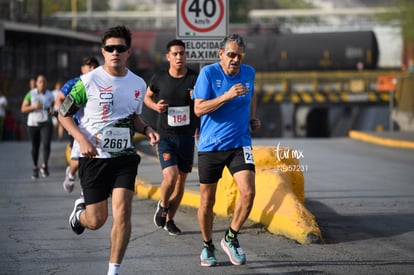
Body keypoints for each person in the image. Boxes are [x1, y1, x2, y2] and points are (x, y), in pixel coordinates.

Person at [58, 25, 159, 275]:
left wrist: (147, 130)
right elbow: (63, 114)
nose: (115, 52)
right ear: (103, 51)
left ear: (128, 52)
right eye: (110, 48)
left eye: (120, 48)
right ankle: (79, 215)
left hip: (124, 157)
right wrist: (81, 139)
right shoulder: (87, 82)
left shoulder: (137, 83)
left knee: (123, 212)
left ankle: (113, 271)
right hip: (94, 157)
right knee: (96, 220)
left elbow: (135, 117)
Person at [192, 34, 261, 267]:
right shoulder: (209, 74)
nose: (235, 60)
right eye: (231, 54)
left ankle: (231, 237)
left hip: (241, 143)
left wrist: (252, 118)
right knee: (206, 201)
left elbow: (252, 95)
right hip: (211, 145)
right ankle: (207, 245)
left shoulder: (249, 72)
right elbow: (199, 109)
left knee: (249, 192)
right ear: (220, 54)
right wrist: (226, 96)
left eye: (239, 55)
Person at [144, 39, 199, 235]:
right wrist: (155, 106)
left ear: (186, 56)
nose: (179, 57)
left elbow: (201, 103)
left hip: (186, 137)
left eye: (182, 53)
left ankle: (170, 219)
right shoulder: (159, 78)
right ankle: (163, 204)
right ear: (168, 57)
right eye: (175, 54)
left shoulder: (194, 78)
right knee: (171, 176)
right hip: (166, 136)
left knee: (181, 181)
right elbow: (147, 97)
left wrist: (197, 97)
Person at [57, 56, 100, 193]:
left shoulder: (101, 83)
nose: (92, 69)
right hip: (76, 126)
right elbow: (60, 99)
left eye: (95, 66)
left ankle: (85, 192)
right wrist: (63, 115)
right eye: (89, 66)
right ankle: (70, 173)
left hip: (95, 128)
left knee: (90, 159)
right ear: (83, 68)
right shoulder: (75, 82)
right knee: (78, 160)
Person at [21, 75, 55, 179]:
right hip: (33, 123)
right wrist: (33, 107)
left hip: (46, 123)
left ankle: (44, 165)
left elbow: (52, 107)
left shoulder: (50, 94)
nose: (42, 84)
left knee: (46, 145)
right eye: (40, 81)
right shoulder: (31, 94)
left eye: (44, 81)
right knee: (35, 147)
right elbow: (23, 109)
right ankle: (35, 167)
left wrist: (52, 112)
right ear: (36, 83)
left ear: (46, 83)